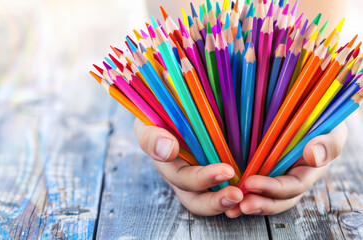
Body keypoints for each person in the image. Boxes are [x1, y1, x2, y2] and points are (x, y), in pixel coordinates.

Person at [136, 0, 350, 217]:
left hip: (278, 156)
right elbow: (165, 64)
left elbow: (318, 63)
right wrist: (158, 112)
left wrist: (327, 116)